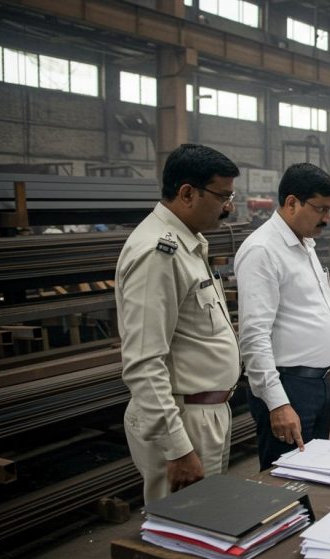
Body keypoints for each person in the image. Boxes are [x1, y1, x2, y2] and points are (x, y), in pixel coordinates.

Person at [116, 144, 241, 504]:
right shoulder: (157, 253)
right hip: (183, 418)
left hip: (203, 413)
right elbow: (143, 361)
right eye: (223, 195)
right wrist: (177, 448)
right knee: (182, 531)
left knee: (204, 521)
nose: (229, 206)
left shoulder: (189, 244)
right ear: (188, 193)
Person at [236, 163, 330, 471]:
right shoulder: (262, 250)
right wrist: (278, 403)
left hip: (314, 384)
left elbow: (307, 314)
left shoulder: (305, 243)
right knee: (287, 485)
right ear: (291, 202)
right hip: (289, 388)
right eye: (321, 208)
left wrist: (328, 370)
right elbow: (254, 336)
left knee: (317, 476)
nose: (328, 218)